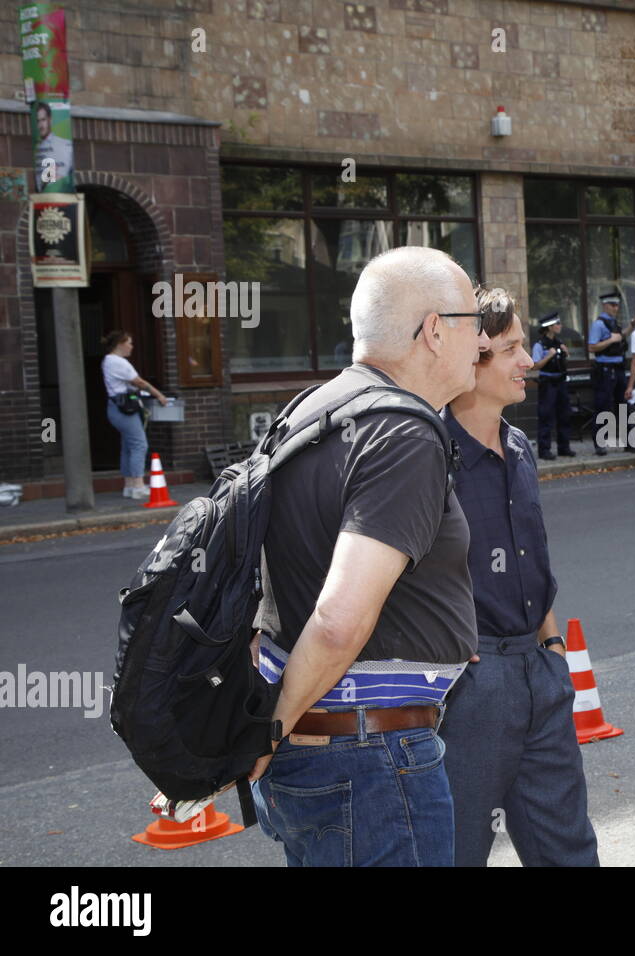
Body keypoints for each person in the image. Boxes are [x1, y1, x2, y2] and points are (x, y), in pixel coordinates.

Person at [248, 246, 488, 867]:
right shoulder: (402, 434)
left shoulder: (311, 409)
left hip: (329, 755)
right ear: (435, 330)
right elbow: (337, 619)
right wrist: (268, 732)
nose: (483, 341)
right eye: (473, 322)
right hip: (371, 760)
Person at [440, 287, 599, 867]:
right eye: (510, 349)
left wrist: (552, 645)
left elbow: (535, 556)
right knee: (458, 851)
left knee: (570, 850)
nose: (528, 361)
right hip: (470, 689)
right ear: (471, 356)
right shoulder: (428, 453)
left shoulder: (521, 447)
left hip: (541, 674)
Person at [101, 331, 169, 499]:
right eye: (129, 343)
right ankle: (138, 486)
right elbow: (138, 382)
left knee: (128, 446)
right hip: (125, 409)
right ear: (120, 344)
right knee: (139, 444)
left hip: (115, 407)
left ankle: (129, 485)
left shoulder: (108, 361)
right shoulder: (118, 362)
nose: (132, 346)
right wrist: (159, 395)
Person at [587, 290, 626, 455]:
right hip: (604, 370)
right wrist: (610, 340)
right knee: (602, 407)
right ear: (604, 305)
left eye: (617, 305)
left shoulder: (614, 322)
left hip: (618, 369)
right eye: (612, 305)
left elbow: (620, 339)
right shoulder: (599, 324)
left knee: (623, 406)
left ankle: (629, 442)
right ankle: (600, 444)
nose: (615, 308)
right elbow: (591, 347)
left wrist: (631, 326)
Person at [532, 312, 575, 459]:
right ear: (549, 327)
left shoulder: (559, 343)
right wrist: (549, 356)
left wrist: (565, 354)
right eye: (557, 324)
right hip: (548, 383)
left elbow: (562, 364)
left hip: (561, 382)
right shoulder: (540, 345)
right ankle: (544, 450)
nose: (560, 326)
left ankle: (564, 447)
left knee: (564, 415)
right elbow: (535, 366)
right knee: (546, 416)